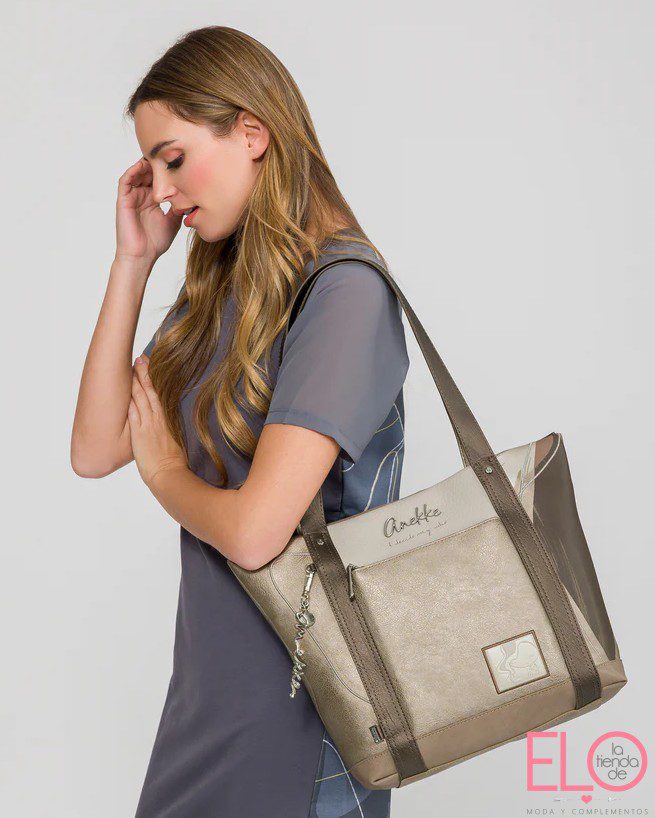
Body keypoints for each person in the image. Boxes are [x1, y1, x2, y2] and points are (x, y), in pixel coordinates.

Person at [71, 25, 409, 818]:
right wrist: (133, 264)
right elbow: (95, 447)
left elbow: (256, 535)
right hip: (208, 702)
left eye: (174, 158)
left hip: (303, 714)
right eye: (152, 167)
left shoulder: (344, 294)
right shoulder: (226, 293)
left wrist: (165, 472)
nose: (161, 190)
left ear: (251, 133)